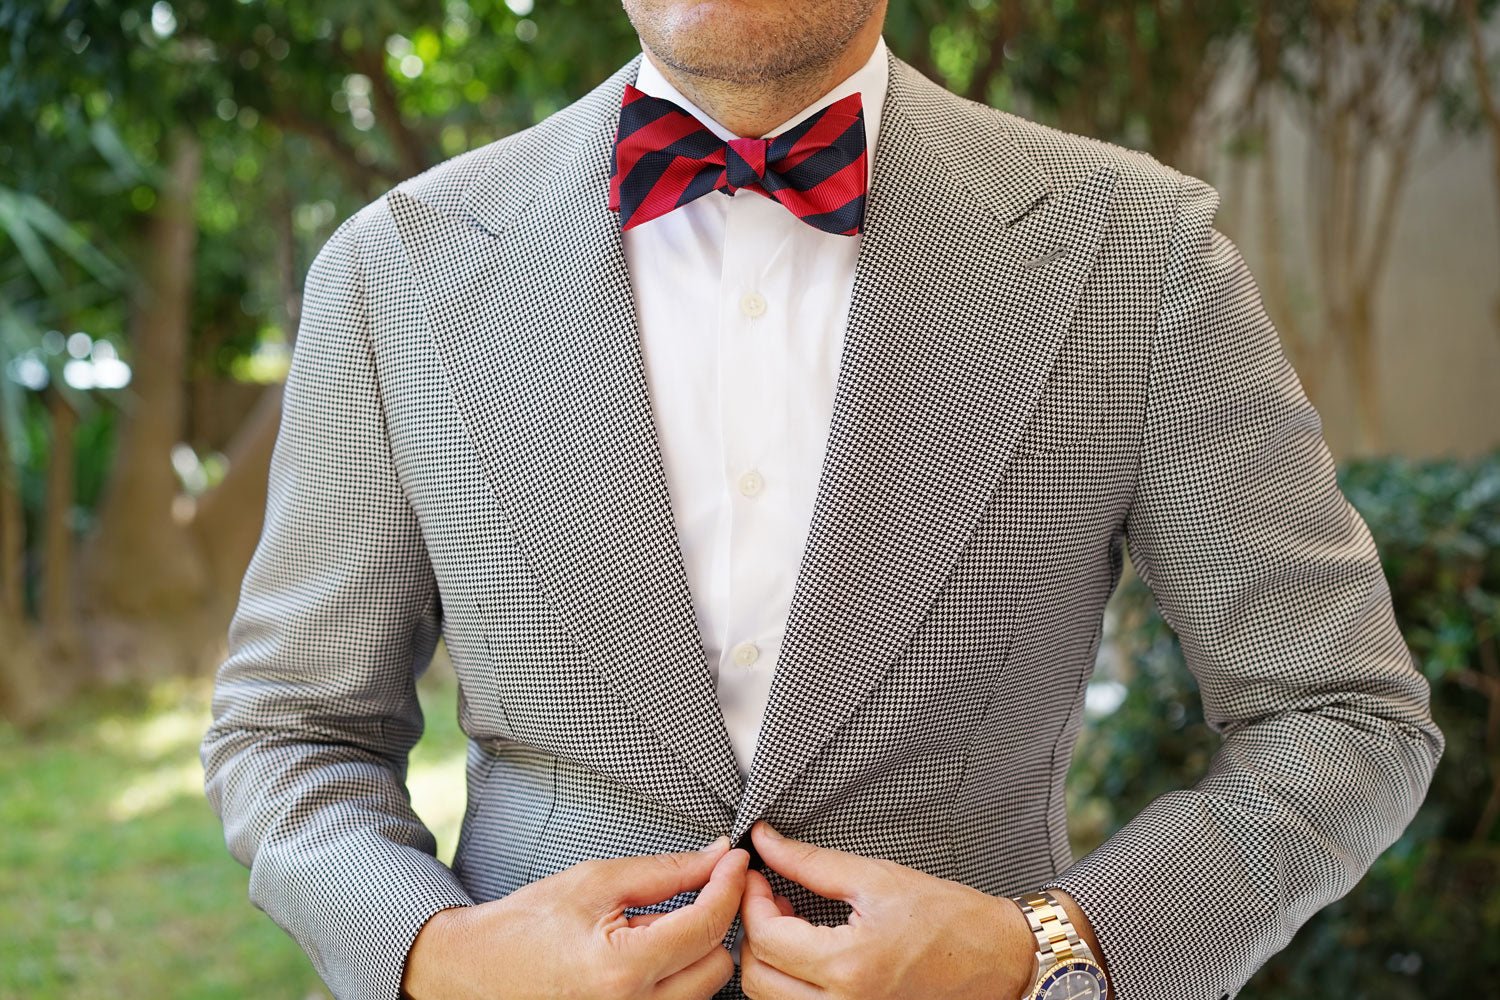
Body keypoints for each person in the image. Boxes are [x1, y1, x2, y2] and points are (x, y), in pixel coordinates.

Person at [199, 1, 1445, 998]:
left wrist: (1059, 952)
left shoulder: (1140, 255)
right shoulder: (394, 272)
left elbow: (1340, 714)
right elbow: (291, 734)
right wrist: (435, 958)